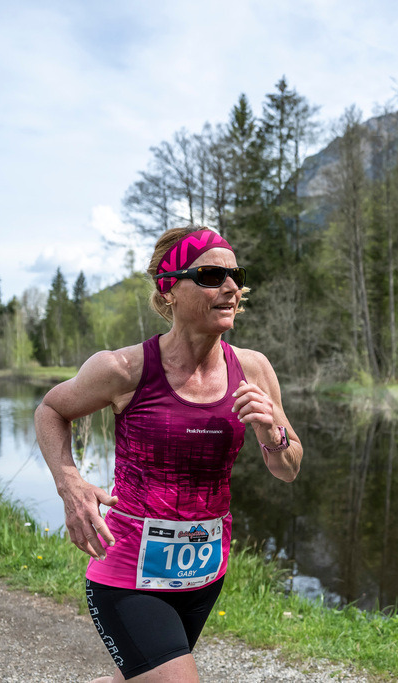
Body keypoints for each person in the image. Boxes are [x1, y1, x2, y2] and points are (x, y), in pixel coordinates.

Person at [35, 226, 302, 682]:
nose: (232, 287)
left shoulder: (253, 369)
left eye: (234, 275)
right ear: (169, 288)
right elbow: (51, 409)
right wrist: (71, 485)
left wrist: (270, 431)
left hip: (204, 574)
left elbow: (288, 468)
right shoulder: (124, 369)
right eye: (211, 274)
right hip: (127, 570)